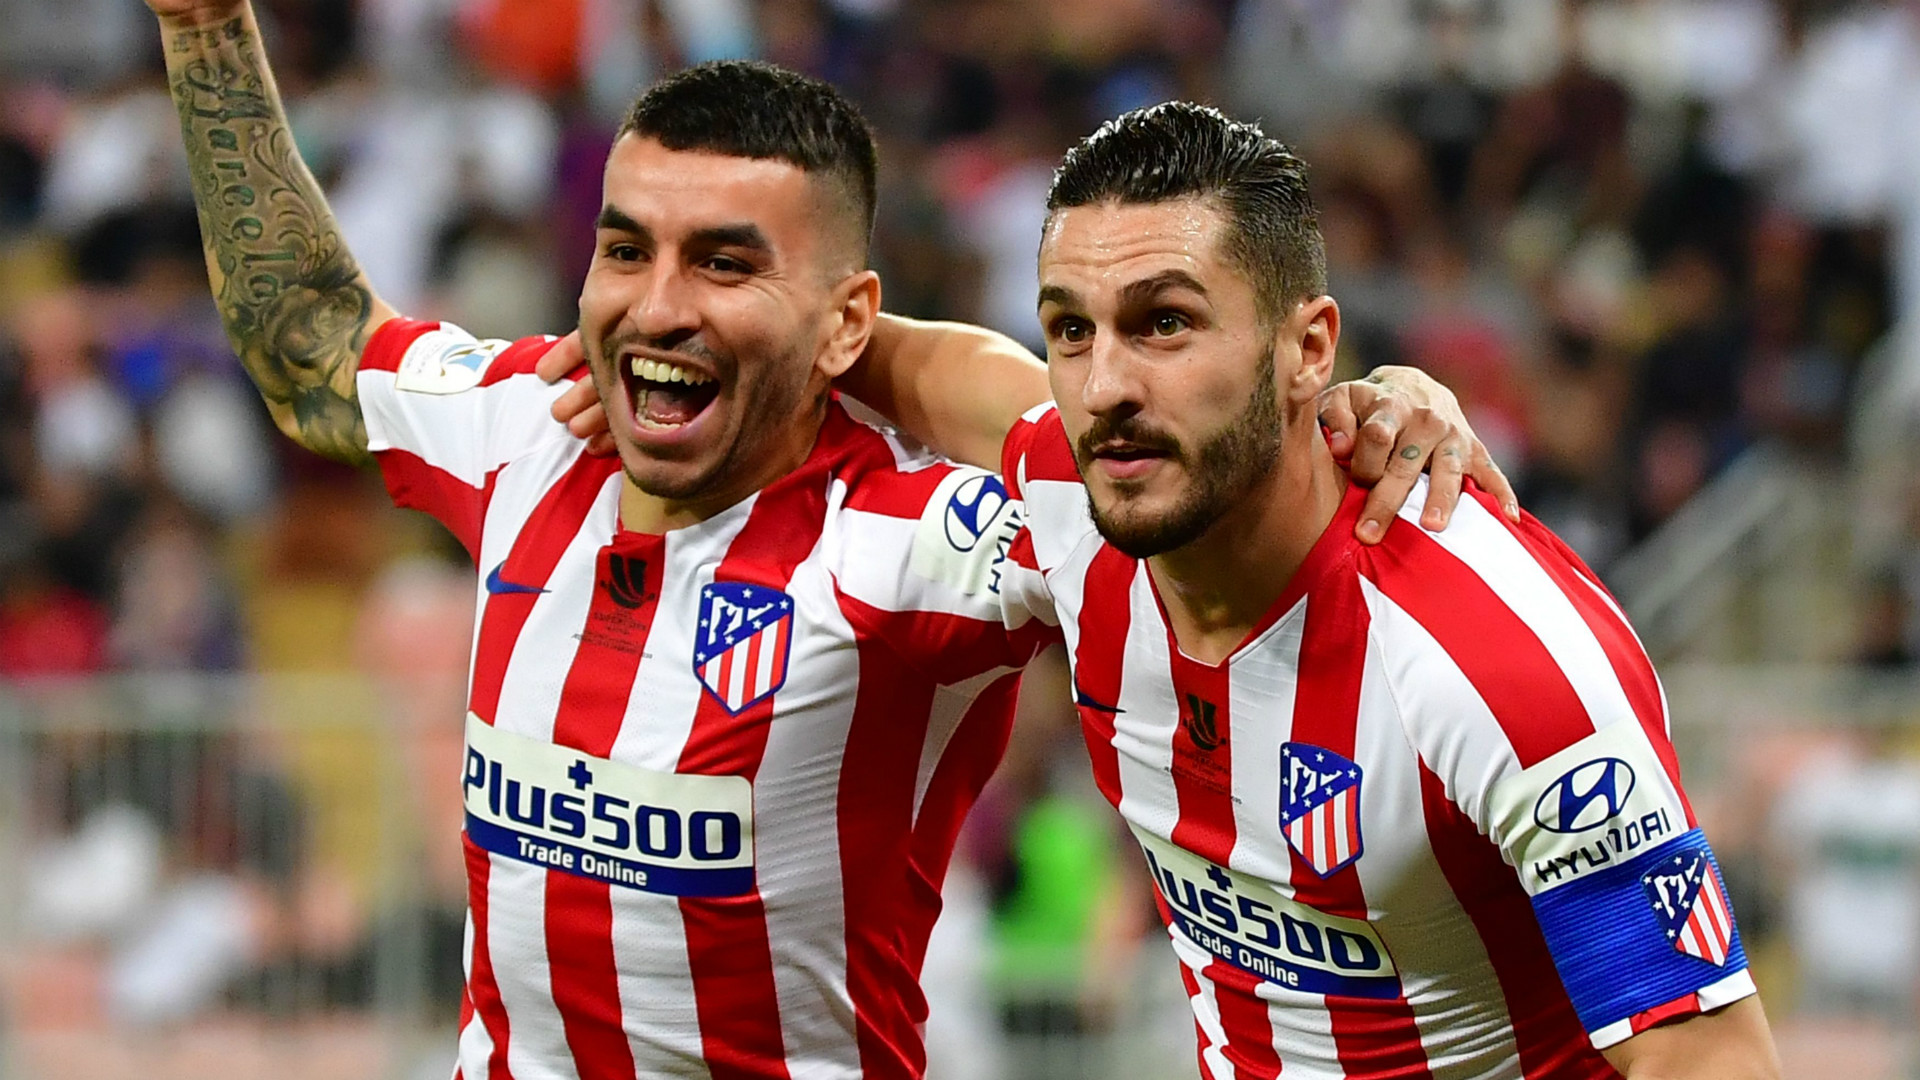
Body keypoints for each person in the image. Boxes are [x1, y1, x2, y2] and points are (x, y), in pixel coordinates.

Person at [144, 3, 1503, 1077]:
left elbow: (1164, 469)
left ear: (849, 320)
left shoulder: (914, 546)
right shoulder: (524, 425)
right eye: (627, 250)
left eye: (725, 263)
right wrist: (203, 24)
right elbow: (313, 346)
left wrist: (1345, 407)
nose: (656, 306)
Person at [982, 103, 1779, 1078]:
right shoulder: (1074, 497)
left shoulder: (1492, 663)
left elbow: (1713, 1058)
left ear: (1310, 350)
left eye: (1166, 323)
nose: (1104, 384)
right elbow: (916, 366)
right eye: (1071, 329)